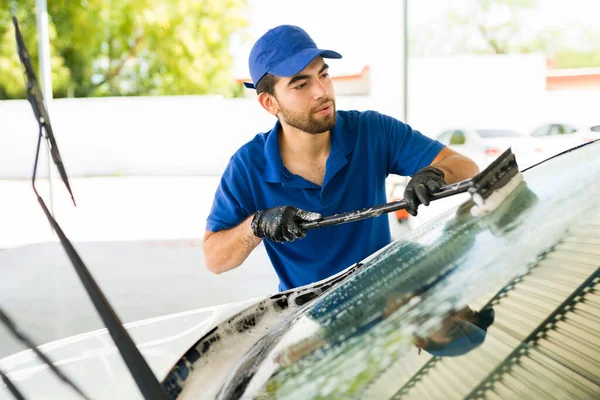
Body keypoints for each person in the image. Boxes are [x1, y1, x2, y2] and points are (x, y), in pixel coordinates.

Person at [203, 25, 480, 291]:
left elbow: (465, 166)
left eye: (323, 75)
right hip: (308, 320)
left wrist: (435, 174)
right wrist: (257, 225)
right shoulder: (247, 166)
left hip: (387, 303)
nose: (321, 92)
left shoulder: (372, 131)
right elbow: (214, 260)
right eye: (301, 85)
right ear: (269, 102)